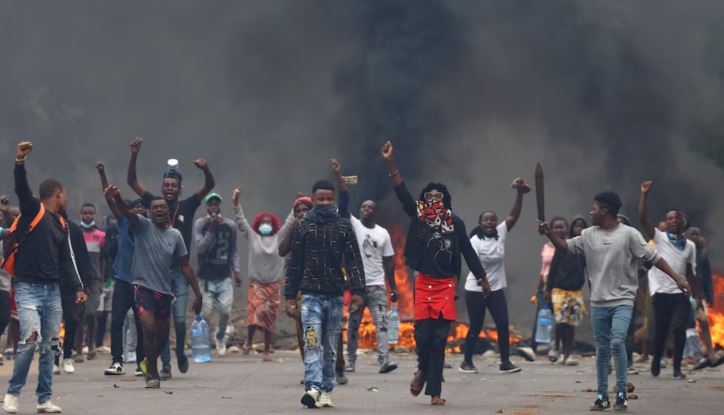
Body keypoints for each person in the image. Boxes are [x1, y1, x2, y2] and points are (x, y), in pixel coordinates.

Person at [539, 190, 690, 411]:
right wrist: (549, 233)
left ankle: (621, 392)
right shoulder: (589, 234)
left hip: (623, 300)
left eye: (593, 208)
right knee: (601, 350)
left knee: (617, 342)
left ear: (604, 211)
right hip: (599, 302)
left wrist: (677, 277)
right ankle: (602, 396)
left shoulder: (629, 234)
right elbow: (565, 247)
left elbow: (653, 257)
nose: (590, 212)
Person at [380, 141, 489, 406]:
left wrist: (482, 278)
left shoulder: (456, 223)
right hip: (423, 283)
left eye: (439, 194)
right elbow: (402, 193)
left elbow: (468, 252)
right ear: (424, 199)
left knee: (439, 341)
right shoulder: (419, 217)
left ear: (446, 199)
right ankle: (423, 369)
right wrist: (390, 162)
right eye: (430, 194)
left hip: (445, 286)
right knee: (422, 338)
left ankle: (435, 392)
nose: (434, 197)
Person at [3, 141, 88, 414]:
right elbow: (21, 188)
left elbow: (67, 260)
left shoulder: (61, 224)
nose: (67, 199)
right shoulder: (33, 210)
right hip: (27, 288)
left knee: (51, 347)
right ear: (58, 194)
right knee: (30, 342)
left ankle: (44, 399)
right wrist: (19, 161)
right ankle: (12, 394)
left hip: (52, 291)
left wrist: (77, 286)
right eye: (65, 195)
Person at [126, 137, 214, 378]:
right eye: (166, 185)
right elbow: (132, 181)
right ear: (162, 188)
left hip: (179, 270)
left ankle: (180, 353)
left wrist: (205, 169)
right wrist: (134, 154)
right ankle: (164, 366)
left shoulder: (187, 205)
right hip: (157, 272)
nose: (169, 188)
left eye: (173, 185)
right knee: (158, 321)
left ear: (180, 188)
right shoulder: (154, 203)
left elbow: (210, 186)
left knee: (179, 319)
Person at [105, 186, 202, 389]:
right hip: (141, 287)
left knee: (161, 336)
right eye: (155, 207)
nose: (159, 210)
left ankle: (149, 361)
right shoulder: (142, 226)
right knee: (148, 329)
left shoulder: (175, 236)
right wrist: (118, 197)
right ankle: (153, 374)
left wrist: (198, 292)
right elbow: (126, 213)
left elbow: (185, 265)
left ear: (168, 211)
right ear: (149, 211)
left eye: (162, 207)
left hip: (164, 292)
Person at [284, 180, 365, 408]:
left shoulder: (343, 226)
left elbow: (354, 261)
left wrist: (358, 291)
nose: (326, 202)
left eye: (329, 199)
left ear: (334, 200)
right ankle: (312, 387)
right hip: (310, 297)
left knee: (330, 346)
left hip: (335, 298)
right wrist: (290, 297)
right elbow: (294, 264)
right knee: (311, 343)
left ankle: (327, 390)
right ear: (313, 200)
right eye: (321, 199)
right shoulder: (303, 226)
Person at [330, 159, 399, 375]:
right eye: (364, 206)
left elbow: (389, 262)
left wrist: (394, 287)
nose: (366, 209)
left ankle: (384, 361)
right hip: (357, 286)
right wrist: (339, 176)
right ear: (359, 211)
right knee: (353, 325)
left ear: (375, 213)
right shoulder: (355, 225)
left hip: (378, 286)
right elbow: (343, 203)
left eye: (370, 207)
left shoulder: (383, 233)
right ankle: (350, 361)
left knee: (382, 324)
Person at [460, 177, 529, 374]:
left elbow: (513, 216)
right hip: (476, 289)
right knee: (476, 326)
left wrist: (520, 194)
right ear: (480, 223)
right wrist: (483, 283)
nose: (490, 222)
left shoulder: (500, 233)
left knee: (503, 324)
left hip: (496, 288)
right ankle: (466, 361)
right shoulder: (474, 241)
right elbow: (472, 264)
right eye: (485, 220)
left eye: (492, 219)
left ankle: (505, 362)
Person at [639, 181, 697, 379]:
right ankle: (656, 360)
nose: (673, 220)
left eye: (676, 218)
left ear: (682, 222)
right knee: (661, 330)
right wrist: (644, 194)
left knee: (679, 328)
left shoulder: (689, 245)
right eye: (670, 218)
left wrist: (695, 298)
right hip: (661, 292)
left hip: (681, 293)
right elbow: (643, 219)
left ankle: (677, 368)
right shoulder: (660, 237)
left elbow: (690, 272)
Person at [96, 162, 146, 376]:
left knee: (142, 323)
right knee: (116, 321)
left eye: (142, 209)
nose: (139, 211)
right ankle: (117, 361)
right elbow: (109, 198)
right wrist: (102, 173)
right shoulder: (124, 222)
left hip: (143, 283)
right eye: (135, 208)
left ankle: (141, 363)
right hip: (123, 281)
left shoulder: (149, 228)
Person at [233, 188, 294, 361]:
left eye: (268, 222)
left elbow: (290, 222)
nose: (265, 224)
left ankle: (267, 349)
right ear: (258, 224)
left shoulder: (279, 237)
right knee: (254, 314)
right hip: (257, 284)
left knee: (269, 318)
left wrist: (296, 206)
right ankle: (249, 342)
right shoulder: (253, 237)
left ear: (273, 224)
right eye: (262, 222)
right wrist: (236, 204)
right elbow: (241, 222)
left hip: (274, 285)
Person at [194, 192, 241, 357]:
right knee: (205, 313)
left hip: (224, 275)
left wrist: (236, 270)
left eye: (216, 204)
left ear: (220, 206)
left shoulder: (230, 225)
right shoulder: (200, 224)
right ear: (206, 206)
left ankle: (220, 336)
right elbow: (200, 248)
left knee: (225, 310)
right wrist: (212, 229)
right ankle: (203, 344)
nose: (213, 207)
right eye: (211, 204)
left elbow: (233, 251)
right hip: (206, 276)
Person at [545, 217, 586, 366]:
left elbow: (590, 270)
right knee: (561, 320)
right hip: (560, 290)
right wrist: (548, 290)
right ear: (571, 228)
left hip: (575, 291)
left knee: (571, 323)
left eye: (582, 227)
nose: (579, 230)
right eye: (576, 226)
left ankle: (567, 354)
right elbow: (553, 270)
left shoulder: (586, 249)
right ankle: (556, 346)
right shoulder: (563, 246)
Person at [684, 227, 723, 369]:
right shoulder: (681, 251)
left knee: (704, 323)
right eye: (691, 234)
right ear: (685, 236)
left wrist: (710, 296)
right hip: (682, 294)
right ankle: (692, 355)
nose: (694, 236)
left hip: (698, 295)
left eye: (696, 234)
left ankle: (711, 355)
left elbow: (706, 277)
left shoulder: (702, 254)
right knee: (688, 326)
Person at [75, 203, 105, 362]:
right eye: (85, 213)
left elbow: (103, 260)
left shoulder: (101, 235)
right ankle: (79, 350)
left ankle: (91, 343)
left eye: (90, 213)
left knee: (91, 313)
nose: (88, 216)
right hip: (78, 279)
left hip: (94, 279)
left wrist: (102, 281)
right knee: (78, 315)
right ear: (81, 215)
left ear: (94, 215)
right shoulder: (75, 233)